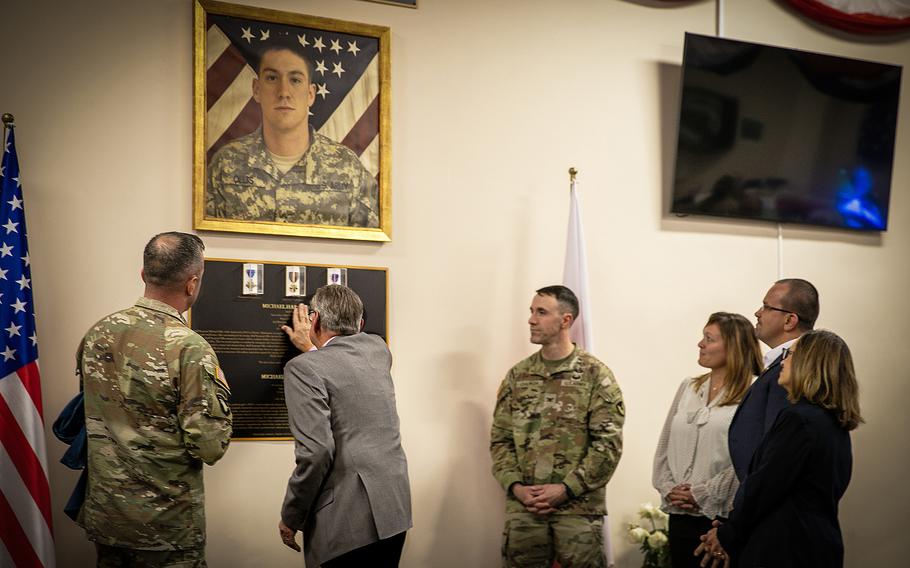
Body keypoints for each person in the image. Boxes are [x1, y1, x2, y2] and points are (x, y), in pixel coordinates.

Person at [77, 232, 232, 566]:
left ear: (144, 275)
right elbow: (209, 446)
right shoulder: (189, 347)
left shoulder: (99, 333)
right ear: (192, 284)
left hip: (109, 517)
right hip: (166, 527)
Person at [700, 330, 862, 567]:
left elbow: (765, 484)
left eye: (789, 354)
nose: (783, 362)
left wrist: (729, 531)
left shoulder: (798, 419)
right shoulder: (833, 423)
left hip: (785, 547)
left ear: (808, 363)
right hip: (816, 543)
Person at [490, 285, 625, 567]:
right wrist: (515, 487)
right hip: (525, 510)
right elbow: (500, 440)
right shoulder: (518, 375)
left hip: (577, 510)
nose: (531, 319)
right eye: (531, 311)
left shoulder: (595, 375)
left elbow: (607, 446)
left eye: (541, 312)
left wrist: (566, 488)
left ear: (565, 320)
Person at [278, 285, 411, 567]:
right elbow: (346, 360)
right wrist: (313, 349)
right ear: (361, 324)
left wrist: (292, 516)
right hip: (393, 513)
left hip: (347, 523)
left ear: (314, 321)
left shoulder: (302, 369)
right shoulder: (379, 350)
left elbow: (316, 452)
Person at [206, 43, 379, 228]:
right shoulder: (226, 163)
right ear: (256, 89)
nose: (284, 93)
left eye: (295, 80)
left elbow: (370, 245)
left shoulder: (348, 167)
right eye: (272, 78)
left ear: (311, 94)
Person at [652, 312, 762, 568]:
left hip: (720, 518)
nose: (700, 344)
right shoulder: (689, 386)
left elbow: (749, 458)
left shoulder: (754, 391)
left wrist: (703, 493)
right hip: (679, 513)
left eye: (709, 339)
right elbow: (664, 443)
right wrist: (669, 488)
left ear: (733, 346)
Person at [727, 278, 819, 508]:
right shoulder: (780, 365)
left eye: (767, 307)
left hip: (772, 510)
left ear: (789, 320)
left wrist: (739, 523)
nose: (758, 312)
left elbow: (775, 456)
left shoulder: (789, 372)